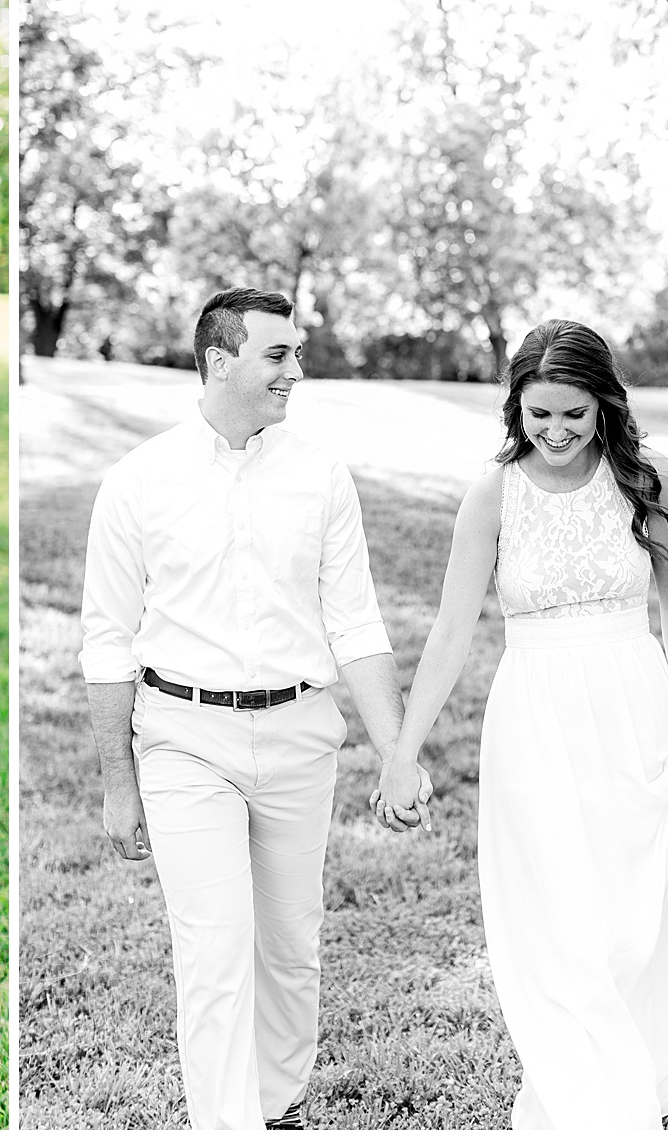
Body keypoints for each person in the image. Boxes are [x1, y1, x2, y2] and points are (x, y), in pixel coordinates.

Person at [376, 319, 668, 1128]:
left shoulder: (649, 477)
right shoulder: (493, 493)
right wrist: (402, 752)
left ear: (605, 405)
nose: (556, 432)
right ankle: (590, 1103)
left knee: (631, 922)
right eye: (538, 416)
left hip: (634, 710)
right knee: (556, 924)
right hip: (534, 717)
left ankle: (630, 1072)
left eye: (573, 414)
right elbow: (452, 630)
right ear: (514, 409)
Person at [79, 286, 432, 1130]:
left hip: (299, 734)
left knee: (288, 946)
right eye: (279, 355)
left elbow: (355, 623)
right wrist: (116, 783)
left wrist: (396, 750)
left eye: (296, 355)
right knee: (214, 948)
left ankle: (278, 1109)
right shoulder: (139, 481)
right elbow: (106, 641)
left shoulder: (320, 475)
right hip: (182, 739)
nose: (293, 372)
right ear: (218, 360)